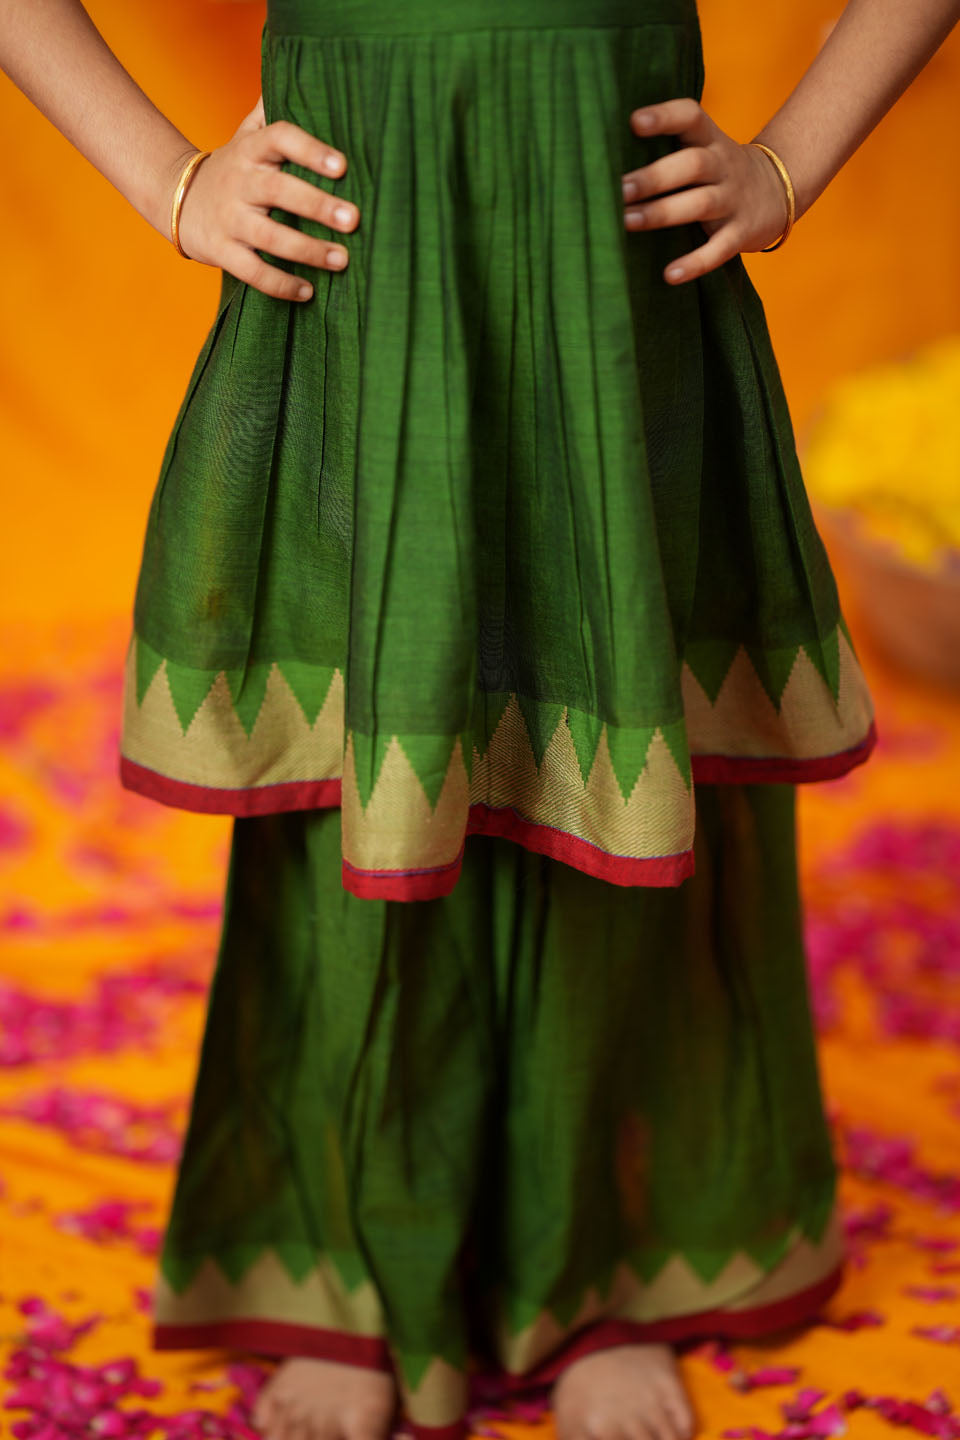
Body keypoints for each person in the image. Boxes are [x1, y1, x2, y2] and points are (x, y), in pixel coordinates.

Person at [2, 2, 958, 1439]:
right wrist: (172, 181)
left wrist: (786, 164)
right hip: (360, 279)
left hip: (611, 276)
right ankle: (350, 1255)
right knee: (365, 756)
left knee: (608, 754)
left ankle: (604, 1264)